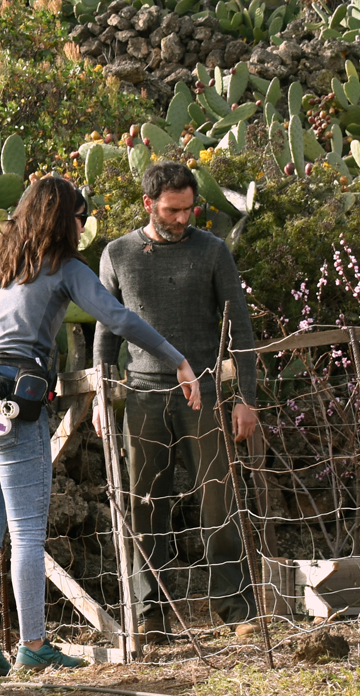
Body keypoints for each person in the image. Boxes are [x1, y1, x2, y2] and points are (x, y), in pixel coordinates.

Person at [0, 174, 199, 677]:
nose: (84, 228)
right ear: (65, 219)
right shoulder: (63, 266)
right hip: (9, 403)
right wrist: (178, 359)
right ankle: (34, 646)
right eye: (81, 218)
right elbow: (118, 318)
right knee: (25, 532)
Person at [93, 159, 261, 635]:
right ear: (148, 203)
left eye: (189, 209)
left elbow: (240, 326)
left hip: (204, 396)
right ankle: (150, 616)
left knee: (219, 500)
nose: (183, 218)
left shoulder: (213, 251)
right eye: (172, 210)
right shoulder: (118, 254)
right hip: (142, 397)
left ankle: (236, 610)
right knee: (146, 505)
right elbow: (105, 333)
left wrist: (245, 397)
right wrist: (101, 397)